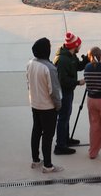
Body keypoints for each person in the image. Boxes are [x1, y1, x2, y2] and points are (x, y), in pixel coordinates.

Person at [26, 37, 63, 173]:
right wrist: (58, 106)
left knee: (36, 131)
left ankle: (35, 160)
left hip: (35, 104)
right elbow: (53, 91)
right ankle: (48, 165)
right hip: (48, 107)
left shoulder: (30, 63)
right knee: (48, 136)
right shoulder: (49, 68)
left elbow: (28, 83)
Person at [54, 32, 89, 155]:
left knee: (66, 116)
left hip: (68, 91)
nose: (80, 47)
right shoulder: (63, 60)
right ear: (75, 45)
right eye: (79, 45)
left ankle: (65, 140)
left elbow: (77, 66)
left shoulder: (70, 55)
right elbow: (62, 80)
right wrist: (78, 82)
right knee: (63, 118)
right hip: (63, 93)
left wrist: (86, 60)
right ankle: (60, 146)